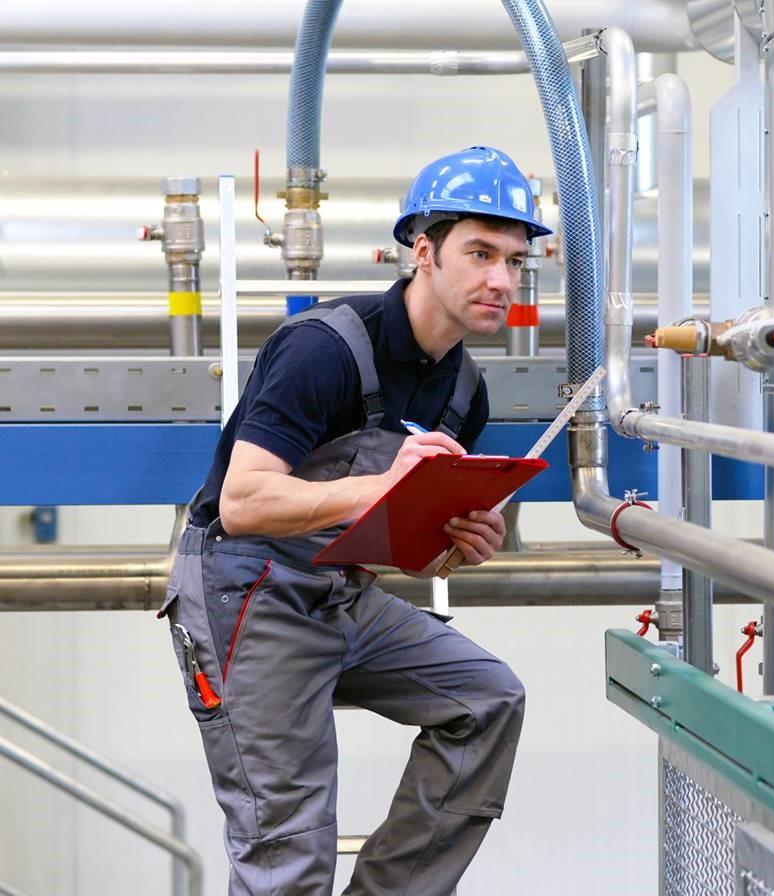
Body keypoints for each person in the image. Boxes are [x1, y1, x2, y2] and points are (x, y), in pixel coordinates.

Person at [158, 146, 549, 894]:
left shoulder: (463, 390)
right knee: (290, 850)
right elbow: (243, 503)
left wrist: (455, 546)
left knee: (486, 700)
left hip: (339, 592)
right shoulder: (324, 349)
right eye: (480, 254)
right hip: (247, 592)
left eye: (514, 261)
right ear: (423, 251)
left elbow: (404, 552)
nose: (502, 280)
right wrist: (381, 484)